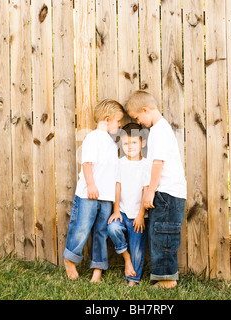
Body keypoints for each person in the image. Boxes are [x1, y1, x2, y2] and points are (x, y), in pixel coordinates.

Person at [124, 90, 187, 289]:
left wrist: (150, 191)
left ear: (146, 110)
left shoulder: (160, 130)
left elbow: (158, 163)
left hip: (167, 192)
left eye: (137, 117)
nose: (139, 122)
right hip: (165, 193)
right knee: (159, 233)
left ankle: (167, 279)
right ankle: (162, 276)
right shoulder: (160, 129)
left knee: (164, 235)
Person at [63, 99, 124, 282]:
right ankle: (70, 258)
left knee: (101, 232)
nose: (120, 125)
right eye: (118, 121)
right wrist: (91, 185)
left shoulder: (113, 144)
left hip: (106, 197)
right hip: (88, 195)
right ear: (107, 119)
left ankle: (98, 269)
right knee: (81, 228)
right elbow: (87, 163)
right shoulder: (93, 138)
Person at [107, 123, 150, 286]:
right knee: (113, 228)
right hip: (122, 212)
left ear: (142, 143)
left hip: (139, 215)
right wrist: (116, 210)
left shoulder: (146, 165)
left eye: (134, 143)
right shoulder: (119, 163)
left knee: (137, 248)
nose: (129, 147)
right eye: (125, 143)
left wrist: (140, 215)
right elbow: (117, 186)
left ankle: (133, 279)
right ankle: (127, 259)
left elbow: (146, 191)